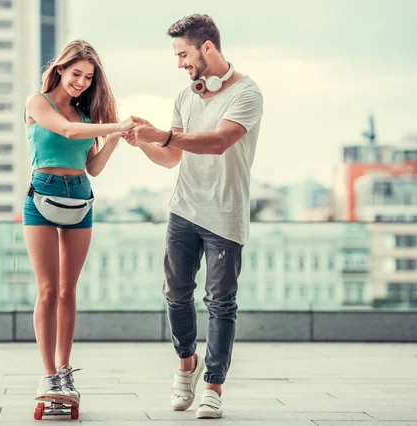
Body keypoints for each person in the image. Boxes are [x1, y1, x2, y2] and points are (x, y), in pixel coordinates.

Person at [125, 14, 264, 419]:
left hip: (225, 214)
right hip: (184, 209)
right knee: (175, 293)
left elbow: (219, 142)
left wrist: (162, 135)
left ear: (207, 47)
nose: (180, 63)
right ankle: (187, 364)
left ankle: (213, 387)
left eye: (183, 54)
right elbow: (171, 157)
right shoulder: (186, 97)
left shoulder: (247, 93)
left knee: (221, 303)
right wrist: (142, 142)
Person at [23, 39, 135, 405]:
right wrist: (115, 125)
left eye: (88, 77)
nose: (82, 83)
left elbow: (93, 168)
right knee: (47, 290)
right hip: (41, 194)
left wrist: (115, 137)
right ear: (60, 69)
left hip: (80, 197)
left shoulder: (87, 117)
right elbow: (65, 132)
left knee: (69, 290)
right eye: (77, 74)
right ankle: (48, 376)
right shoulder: (38, 103)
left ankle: (65, 371)